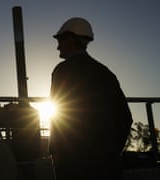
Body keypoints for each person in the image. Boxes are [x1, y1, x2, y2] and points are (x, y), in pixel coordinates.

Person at [49, 17, 133, 180]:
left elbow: (59, 114)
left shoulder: (62, 71)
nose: (58, 46)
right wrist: (112, 151)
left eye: (60, 40)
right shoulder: (106, 73)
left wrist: (56, 152)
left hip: (74, 164)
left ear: (70, 39)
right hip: (108, 165)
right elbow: (125, 118)